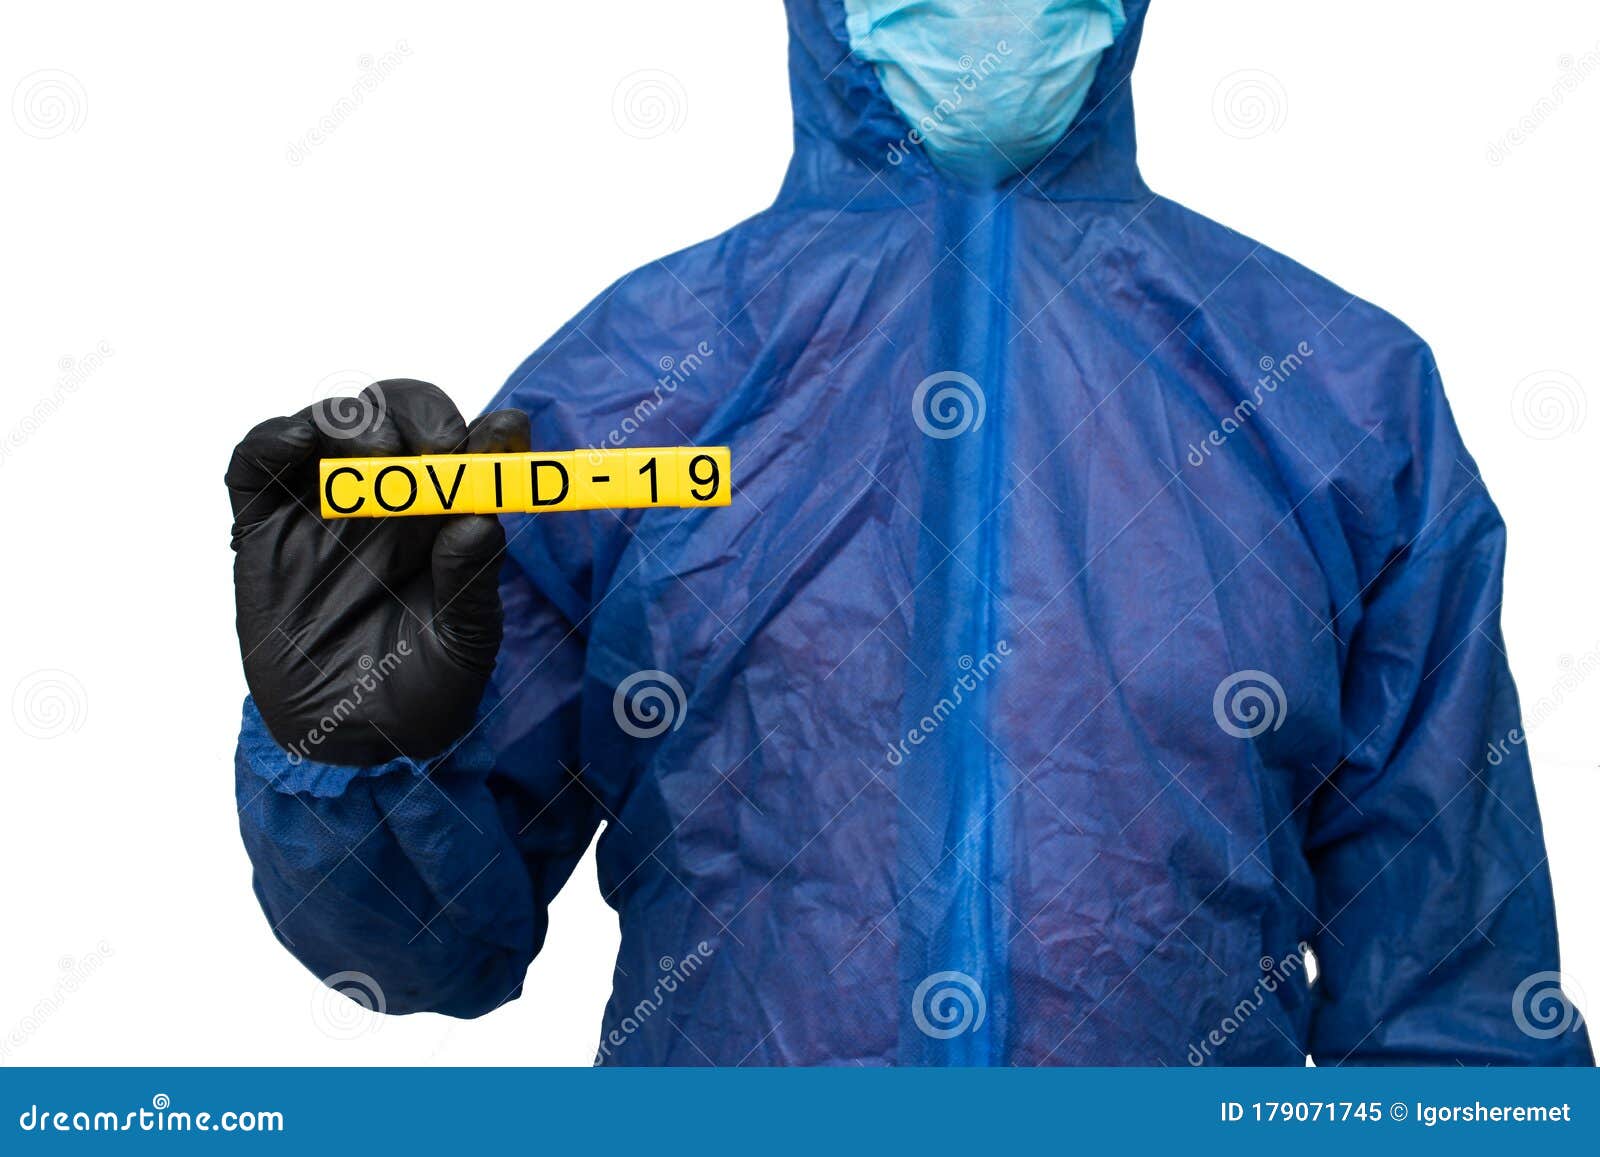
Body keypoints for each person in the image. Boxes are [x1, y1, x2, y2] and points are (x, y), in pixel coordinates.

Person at [225, 0, 1592, 1065]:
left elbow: (1451, 996)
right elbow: (418, 953)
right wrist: (351, 742)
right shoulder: (630, 391)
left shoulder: (1340, 399)